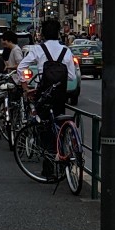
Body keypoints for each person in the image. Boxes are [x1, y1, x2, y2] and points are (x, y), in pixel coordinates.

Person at [20, 16, 78, 179]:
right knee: (59, 126)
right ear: (59, 33)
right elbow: (72, 76)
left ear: (43, 34)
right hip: (60, 95)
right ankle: (63, 161)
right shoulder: (66, 51)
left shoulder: (38, 50)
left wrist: (26, 86)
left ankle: (48, 169)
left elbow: (21, 67)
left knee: (44, 131)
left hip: (44, 95)